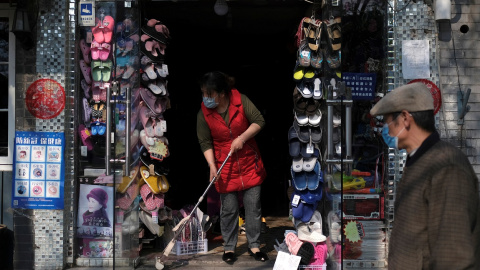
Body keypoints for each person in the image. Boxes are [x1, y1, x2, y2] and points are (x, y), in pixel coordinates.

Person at [370, 82, 480, 269]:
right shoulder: (419, 160)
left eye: (388, 122)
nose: (386, 130)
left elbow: (453, 258)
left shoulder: (446, 166)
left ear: (405, 118)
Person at [196, 71, 268, 263]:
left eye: (209, 94)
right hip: (224, 166)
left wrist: (242, 138)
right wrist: (212, 165)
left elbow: (259, 121)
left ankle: (254, 245)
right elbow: (205, 142)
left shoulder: (240, 100)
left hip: (249, 163)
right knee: (228, 210)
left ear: (221, 94)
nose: (206, 98)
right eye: (203, 93)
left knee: (253, 207)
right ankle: (229, 248)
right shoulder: (204, 112)